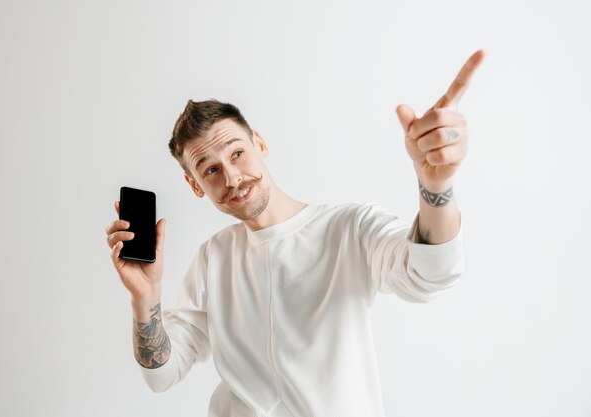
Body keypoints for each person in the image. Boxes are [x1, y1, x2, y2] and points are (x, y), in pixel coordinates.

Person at [105, 49, 485, 417]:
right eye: (210, 170)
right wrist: (146, 297)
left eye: (237, 153)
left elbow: (430, 273)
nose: (232, 178)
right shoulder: (213, 257)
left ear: (260, 143)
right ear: (195, 185)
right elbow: (161, 374)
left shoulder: (348, 229)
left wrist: (436, 189)